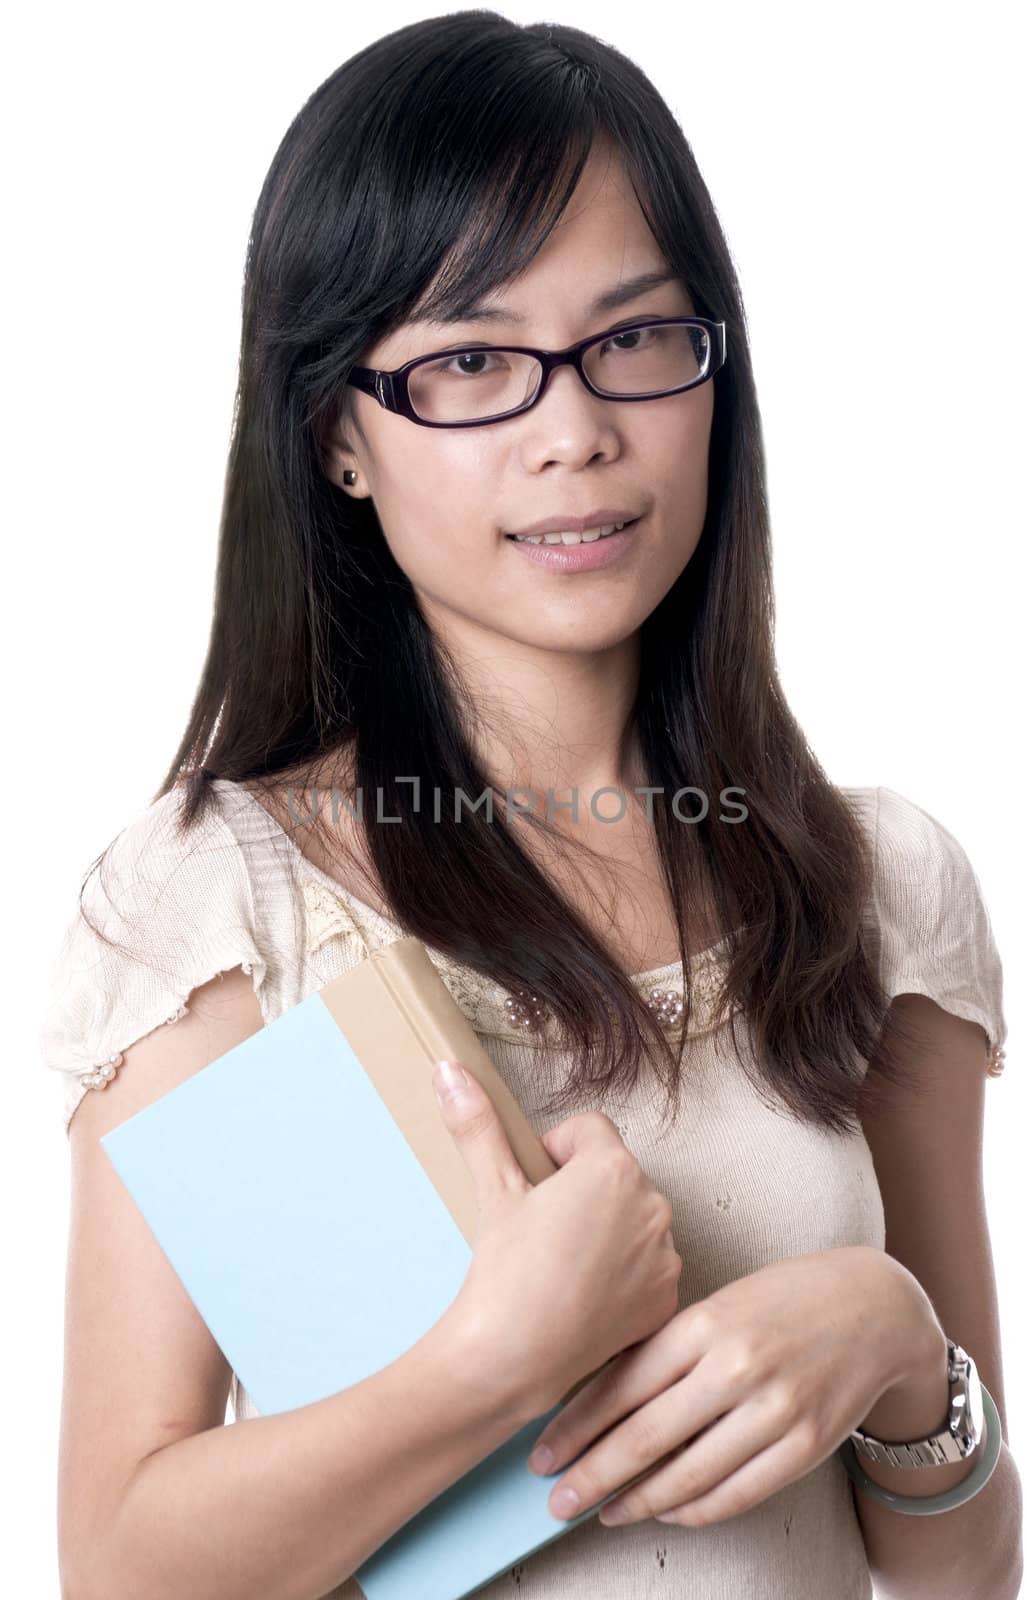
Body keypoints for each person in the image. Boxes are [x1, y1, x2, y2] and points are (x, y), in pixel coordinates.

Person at [39, 13, 1021, 1600]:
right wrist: (491, 1363)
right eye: (473, 363)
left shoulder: (880, 882)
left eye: (635, 338)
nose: (576, 430)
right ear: (337, 437)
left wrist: (899, 1349)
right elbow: (124, 1568)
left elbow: (966, 1572)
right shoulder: (222, 902)